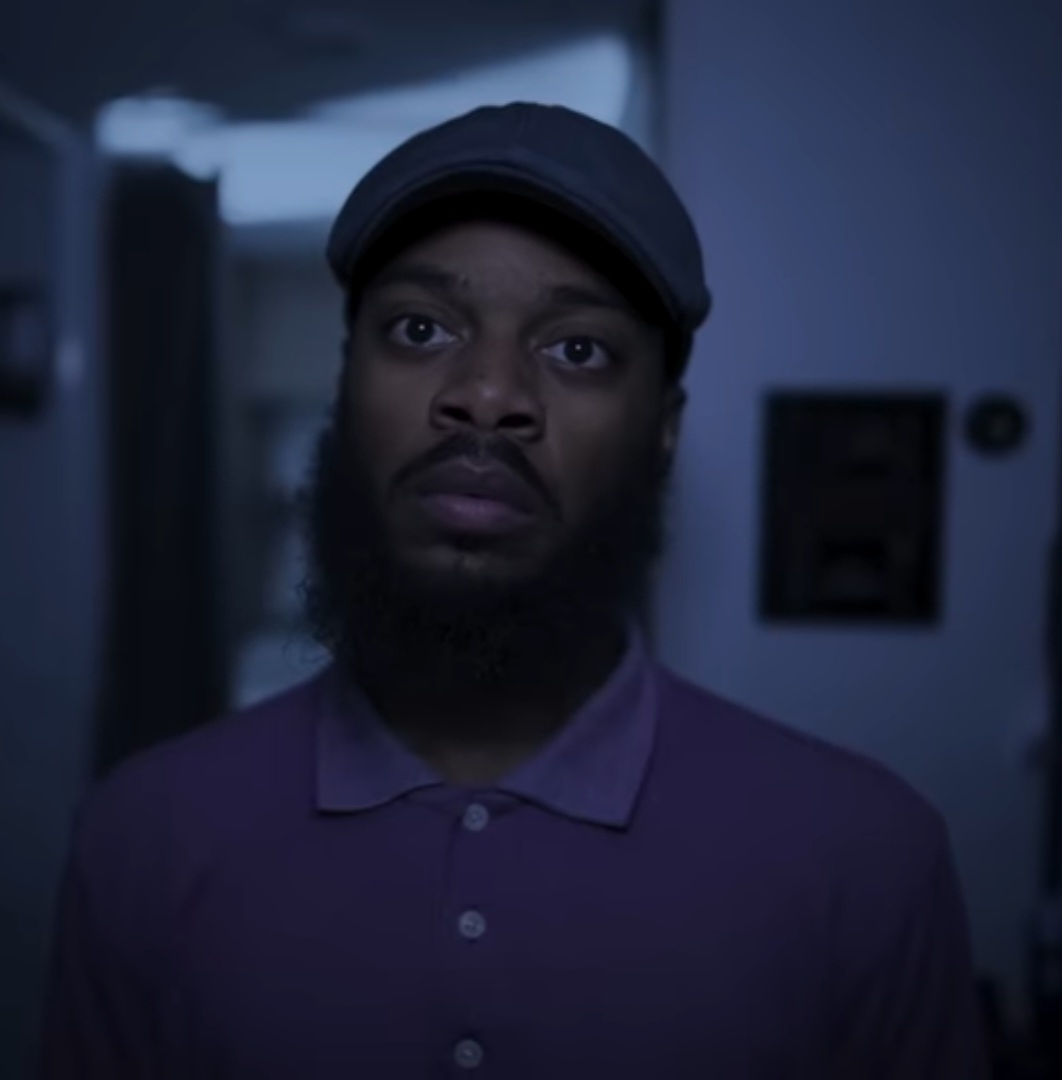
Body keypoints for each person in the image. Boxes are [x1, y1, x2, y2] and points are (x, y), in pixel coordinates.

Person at [38, 103, 989, 1078]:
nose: (488, 395)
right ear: (346, 383)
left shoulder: (866, 861)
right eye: (419, 328)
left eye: (578, 348)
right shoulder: (144, 839)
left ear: (663, 429)